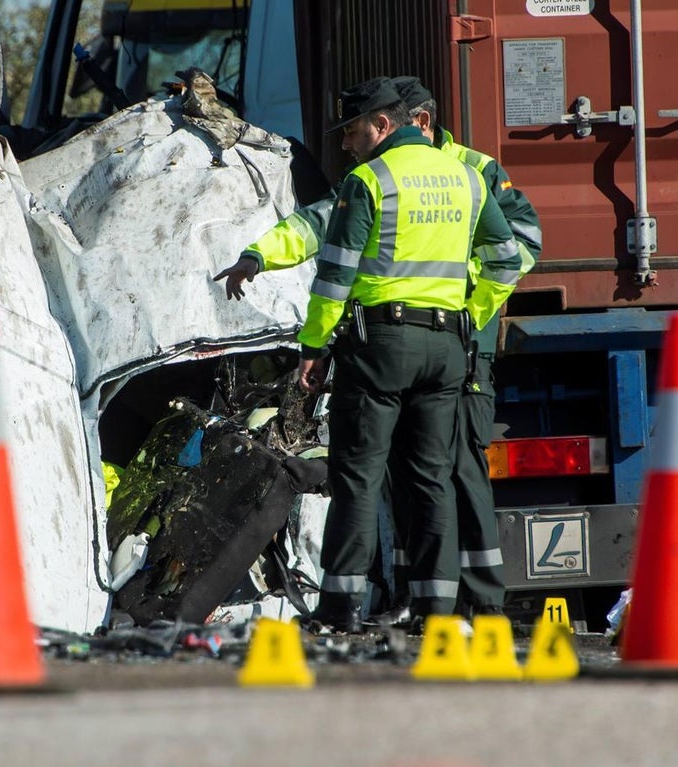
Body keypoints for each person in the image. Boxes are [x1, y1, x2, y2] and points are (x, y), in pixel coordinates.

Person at [215, 77, 540, 627]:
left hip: (381, 346)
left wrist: (313, 348)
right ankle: (438, 609)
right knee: (432, 476)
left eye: (353, 131)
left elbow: (334, 277)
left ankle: (340, 607)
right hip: (447, 346)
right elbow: (509, 256)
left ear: (384, 125)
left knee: (359, 476)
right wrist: (472, 314)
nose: (346, 144)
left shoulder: (371, 180)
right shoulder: (467, 177)